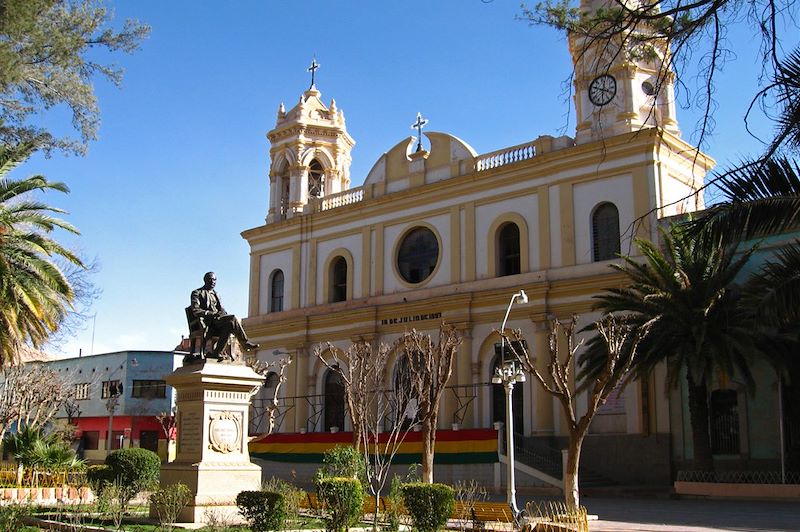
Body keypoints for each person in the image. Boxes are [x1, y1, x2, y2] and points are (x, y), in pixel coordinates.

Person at [190, 272, 259, 359]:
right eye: (210, 279)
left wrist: (224, 315)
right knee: (232, 319)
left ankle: (217, 352)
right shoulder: (197, 293)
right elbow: (196, 310)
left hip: (218, 321)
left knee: (229, 324)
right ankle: (245, 343)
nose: (212, 282)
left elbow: (222, 310)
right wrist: (212, 314)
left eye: (214, 280)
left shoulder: (216, 294)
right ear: (205, 280)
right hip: (207, 321)